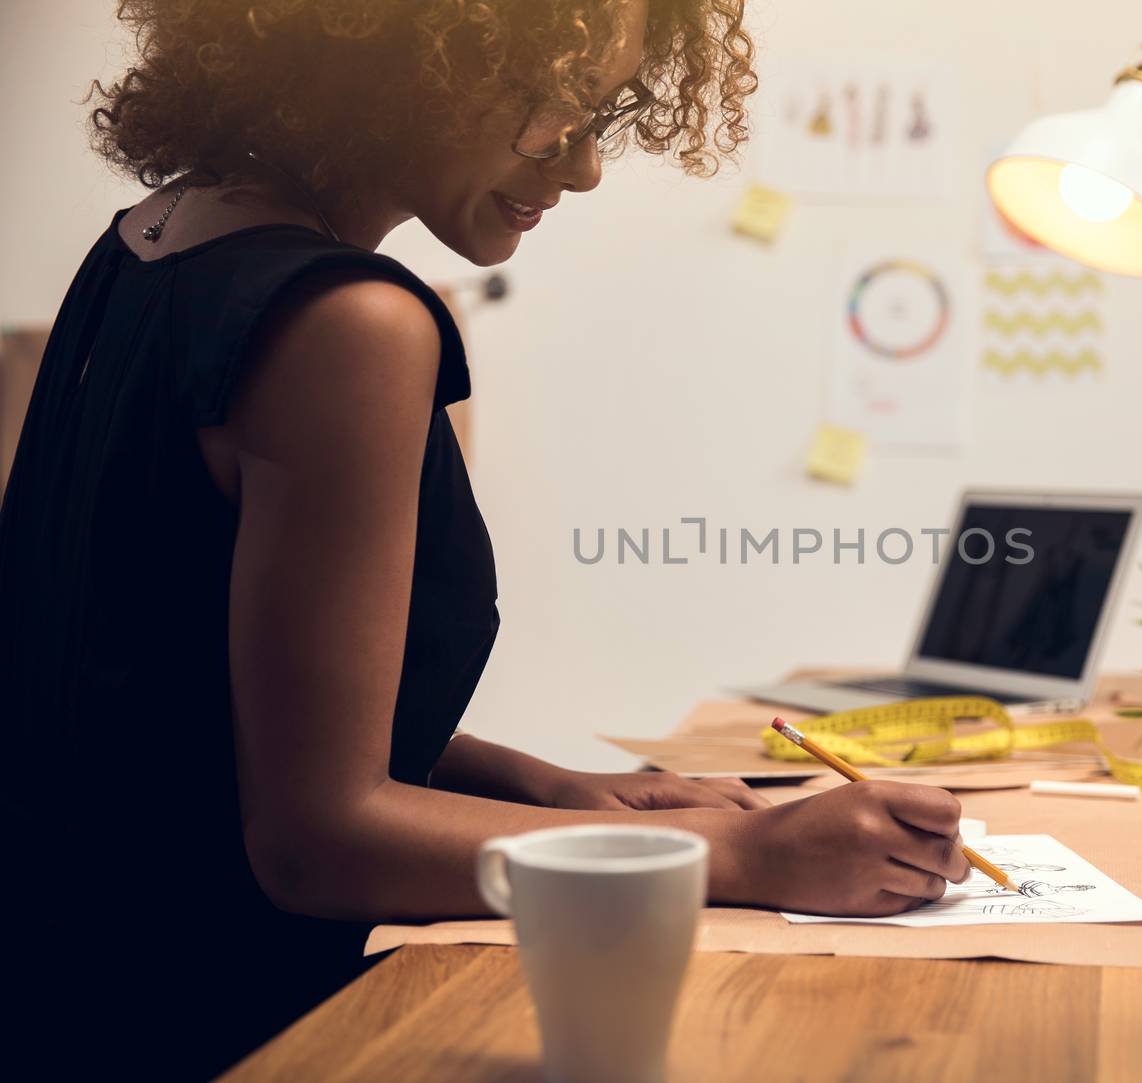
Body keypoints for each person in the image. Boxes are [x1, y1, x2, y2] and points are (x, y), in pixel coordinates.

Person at [0, 2, 969, 1075]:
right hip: (229, 1031)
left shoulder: (148, 247)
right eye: (556, 118)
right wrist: (738, 851)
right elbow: (314, 844)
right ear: (411, 66)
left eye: (606, 116)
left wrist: (544, 787)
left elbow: (183, 702)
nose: (589, 168)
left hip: (63, 997)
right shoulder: (349, 327)